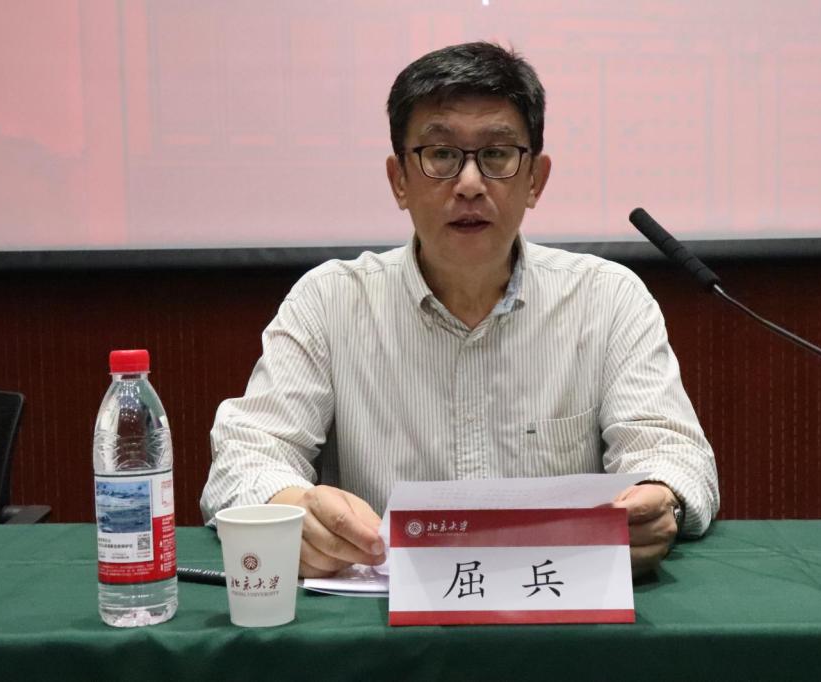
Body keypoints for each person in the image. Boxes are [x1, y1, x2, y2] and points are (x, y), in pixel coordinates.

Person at [201, 42, 719, 579]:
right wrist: (291, 506)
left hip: (555, 603)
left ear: (535, 180)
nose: (470, 184)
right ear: (399, 180)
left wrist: (661, 496)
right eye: (441, 155)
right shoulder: (328, 302)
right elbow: (245, 456)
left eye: (497, 154)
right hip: (385, 615)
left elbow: (675, 453)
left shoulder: (608, 299)